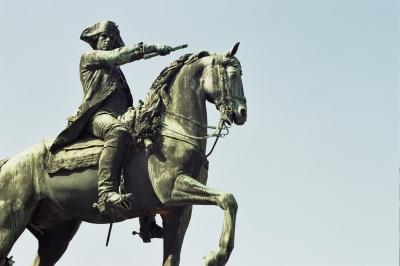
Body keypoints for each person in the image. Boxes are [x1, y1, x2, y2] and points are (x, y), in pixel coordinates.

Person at [50, 21, 172, 212]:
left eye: (111, 38)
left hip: (120, 115)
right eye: (103, 37)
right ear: (95, 40)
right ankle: (105, 192)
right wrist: (152, 48)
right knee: (118, 132)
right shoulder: (90, 57)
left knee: (146, 141)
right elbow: (118, 55)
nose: (107, 41)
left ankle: (147, 218)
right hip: (96, 116)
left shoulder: (117, 72)